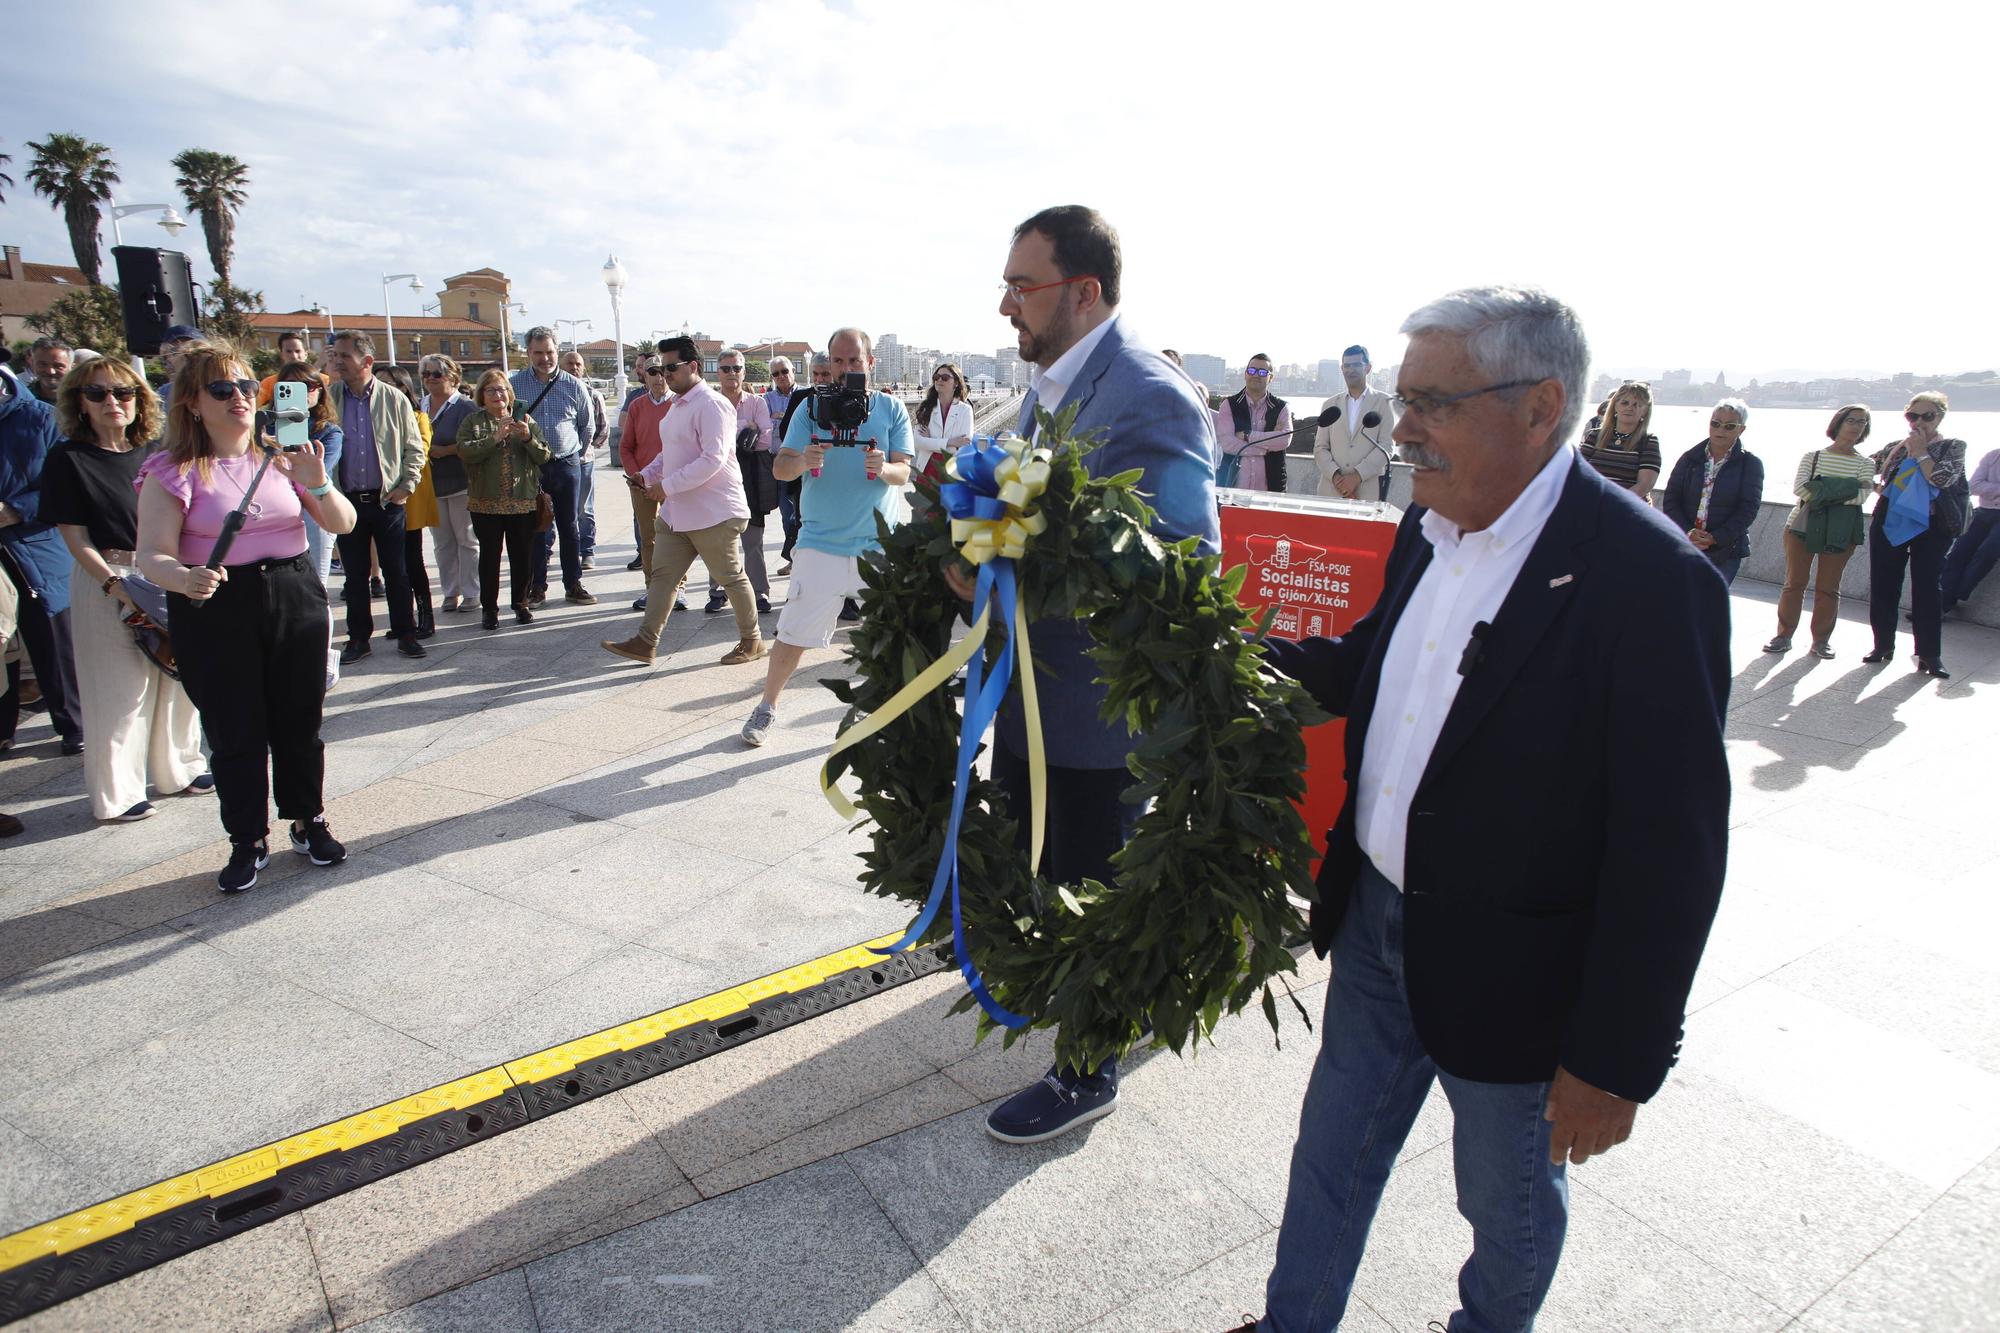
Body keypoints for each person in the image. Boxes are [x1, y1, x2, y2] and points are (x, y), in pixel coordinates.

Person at [1238, 286, 1729, 1333]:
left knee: (1502, 1207)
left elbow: (1670, 849)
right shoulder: (1429, 525)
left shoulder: (1647, 584)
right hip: (1374, 927)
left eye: (1432, 402)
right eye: (1401, 399)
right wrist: (1219, 650)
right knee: (1327, 1158)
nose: (1400, 426)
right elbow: (1366, 667)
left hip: (1518, 977)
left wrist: (1614, 1057)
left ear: (1541, 404)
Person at [966, 205, 1219, 1144]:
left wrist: (1025, 566)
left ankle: (1087, 1072)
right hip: (1037, 698)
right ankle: (1104, 1005)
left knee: (1091, 888)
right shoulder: (1050, 391)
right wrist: (974, 558)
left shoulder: (1146, 394)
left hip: (1100, 715)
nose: (1005, 306)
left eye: (1020, 286)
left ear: (1084, 290)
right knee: (1050, 877)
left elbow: (1179, 560)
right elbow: (1031, 522)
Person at [135, 341, 358, 893]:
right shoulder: (172, 470)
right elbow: (151, 556)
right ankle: (246, 838)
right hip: (217, 606)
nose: (238, 397)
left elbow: (344, 523)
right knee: (235, 730)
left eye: (244, 386)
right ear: (191, 402)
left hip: (293, 592)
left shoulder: (281, 456)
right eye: (221, 388)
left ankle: (309, 820)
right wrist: (184, 577)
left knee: (299, 722)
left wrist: (317, 479)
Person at [41, 359, 208, 821]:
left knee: (177, 679)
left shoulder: (158, 451)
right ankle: (118, 793)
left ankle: (181, 767)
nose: (113, 402)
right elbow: (75, 536)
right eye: (98, 394)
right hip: (106, 575)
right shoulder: (68, 457)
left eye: (123, 392)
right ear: (80, 403)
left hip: (165, 571)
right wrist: (115, 586)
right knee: (118, 691)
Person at [739, 328, 910, 743]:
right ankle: (766, 707)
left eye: (854, 361)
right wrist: (802, 461)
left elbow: (904, 471)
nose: (845, 368)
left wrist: (882, 468)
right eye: (837, 361)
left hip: (878, 543)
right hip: (821, 541)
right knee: (792, 632)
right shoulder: (811, 408)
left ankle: (898, 714)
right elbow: (780, 468)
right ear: (828, 364)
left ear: (870, 363)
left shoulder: (890, 408)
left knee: (896, 636)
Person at [602, 336, 766, 667]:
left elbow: (713, 459)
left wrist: (667, 487)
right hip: (679, 512)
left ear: (693, 367)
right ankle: (645, 642)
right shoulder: (678, 406)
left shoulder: (712, 404)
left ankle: (753, 641)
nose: (664, 374)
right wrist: (646, 476)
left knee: (731, 577)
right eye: (660, 368)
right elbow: (670, 453)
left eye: (671, 368)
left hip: (714, 512)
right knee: (662, 576)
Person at [325, 330, 428, 661]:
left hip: (387, 501)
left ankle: (406, 633)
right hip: (346, 502)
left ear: (367, 361)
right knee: (355, 576)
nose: (338, 361)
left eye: (345, 356)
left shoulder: (393, 398)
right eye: (335, 355)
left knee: (396, 571)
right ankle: (358, 639)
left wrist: (405, 487)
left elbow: (414, 448)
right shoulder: (330, 396)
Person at [0, 360, 84, 756]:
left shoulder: (41, 419)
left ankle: (73, 724)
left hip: (36, 549)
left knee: (52, 642)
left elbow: (66, 485)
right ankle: (4, 728)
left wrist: (17, 509)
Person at [1863, 391, 1968, 679]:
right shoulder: (1894, 448)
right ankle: (1882, 645)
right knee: (1884, 583)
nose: (1919, 421)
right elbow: (1865, 470)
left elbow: (1942, 479)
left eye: (1927, 416)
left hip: (1933, 525)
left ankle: (1930, 655)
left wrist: (1921, 452)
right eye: (1913, 415)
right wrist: (1878, 488)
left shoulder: (1953, 447)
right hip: (1891, 520)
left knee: (1927, 587)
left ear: (1940, 417)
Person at [1765, 404, 1874, 659]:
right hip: (1801, 527)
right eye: (1852, 420)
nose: (1857, 426)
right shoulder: (1813, 457)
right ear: (1838, 422)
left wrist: (1823, 489)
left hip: (1840, 531)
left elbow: (1861, 497)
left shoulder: (1866, 463)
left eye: (1862, 422)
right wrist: (1848, 486)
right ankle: (1783, 636)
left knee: (1829, 587)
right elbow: (1801, 490)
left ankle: (1821, 640)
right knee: (1794, 583)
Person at [270, 361, 346, 691]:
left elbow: (319, 474)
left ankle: (321, 656)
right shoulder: (265, 427)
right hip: (273, 513)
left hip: (315, 512)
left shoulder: (329, 431)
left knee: (314, 586)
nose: (303, 394)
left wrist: (295, 450)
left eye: (310, 387)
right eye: (291, 387)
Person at [457, 369, 551, 630]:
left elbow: (544, 455)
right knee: (490, 557)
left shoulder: (525, 420)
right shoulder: (473, 422)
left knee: (522, 556)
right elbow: (465, 453)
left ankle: (521, 605)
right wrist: (495, 437)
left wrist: (527, 437)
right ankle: (490, 609)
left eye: (502, 390)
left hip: (522, 502)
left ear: (510, 394)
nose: (498, 395)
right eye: (491, 390)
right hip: (486, 504)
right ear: (481, 395)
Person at [510, 330, 596, 608]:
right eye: (538, 352)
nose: (545, 358)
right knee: (536, 528)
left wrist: (576, 456)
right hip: (531, 468)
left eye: (549, 352)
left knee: (570, 527)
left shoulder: (573, 385)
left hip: (567, 464)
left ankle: (573, 583)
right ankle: (537, 587)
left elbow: (587, 426)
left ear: (557, 351)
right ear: (528, 353)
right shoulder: (516, 385)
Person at [1661, 397, 1765, 585]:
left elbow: (1749, 508)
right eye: (1715, 423)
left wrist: (1716, 538)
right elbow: (1671, 499)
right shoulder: (1689, 458)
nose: (1720, 430)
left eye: (1729, 426)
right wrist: (1689, 531)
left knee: (1711, 606)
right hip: (1685, 543)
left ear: (1741, 430)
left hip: (1726, 550)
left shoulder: (1751, 464)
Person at [706, 348, 777, 616]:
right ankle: (717, 591)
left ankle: (759, 592)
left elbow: (766, 439)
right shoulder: (710, 402)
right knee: (718, 540)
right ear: (718, 372)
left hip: (750, 478)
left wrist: (727, 439)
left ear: (743, 371)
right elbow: (704, 441)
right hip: (716, 478)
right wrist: (745, 432)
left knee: (753, 541)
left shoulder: (756, 403)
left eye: (736, 368)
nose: (732, 373)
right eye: (726, 368)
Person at [375, 366, 440, 640]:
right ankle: (402, 619)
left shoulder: (418, 416)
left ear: (403, 388)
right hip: (379, 499)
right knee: (392, 564)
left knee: (412, 560)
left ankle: (426, 616)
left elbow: (421, 449)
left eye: (388, 384)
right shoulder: (369, 418)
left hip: (407, 496)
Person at [419, 355, 480, 615]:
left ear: (453, 377)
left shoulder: (465, 407)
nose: (430, 379)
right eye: (426, 374)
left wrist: (447, 450)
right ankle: (450, 592)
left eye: (436, 374)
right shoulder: (421, 405)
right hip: (431, 485)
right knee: (442, 542)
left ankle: (471, 592)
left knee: (466, 539)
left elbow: (479, 441)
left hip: (461, 482)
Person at [619, 346, 674, 614]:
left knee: (675, 536)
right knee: (648, 538)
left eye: (664, 371)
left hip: (674, 482)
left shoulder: (679, 404)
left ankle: (679, 588)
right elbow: (626, 446)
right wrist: (636, 475)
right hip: (642, 483)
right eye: (653, 371)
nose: (659, 377)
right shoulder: (637, 406)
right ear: (645, 375)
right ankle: (652, 587)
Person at [1314, 344, 1399, 500]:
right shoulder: (1330, 405)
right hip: (1330, 492)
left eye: (1356, 365)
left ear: (1368, 368)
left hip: (1366, 493)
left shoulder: (1385, 403)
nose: (1350, 370)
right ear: (1342, 368)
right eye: (1347, 365)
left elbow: (1387, 445)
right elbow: (1320, 447)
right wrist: (1337, 479)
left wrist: (1356, 477)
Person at [560, 349, 607, 571]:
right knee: (552, 510)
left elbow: (602, 428)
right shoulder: (555, 392)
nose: (574, 367)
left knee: (583, 509)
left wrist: (585, 448)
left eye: (578, 364)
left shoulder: (593, 395)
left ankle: (587, 551)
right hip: (556, 462)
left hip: (584, 461)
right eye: (569, 363)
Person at [1940, 443, 2000, 618]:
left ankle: (1957, 594)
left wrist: (1990, 489)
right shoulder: (1993, 456)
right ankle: (1940, 604)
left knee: (1987, 553)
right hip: (1983, 512)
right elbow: (1974, 486)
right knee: (1957, 553)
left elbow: (1982, 486)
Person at [1215, 353, 1291, 491]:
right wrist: (1265, 447)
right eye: (1252, 370)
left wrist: (1247, 436)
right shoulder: (1229, 405)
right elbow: (1227, 444)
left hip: (1272, 491)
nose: (1256, 375)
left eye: (1262, 372)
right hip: (1232, 490)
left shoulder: (1281, 407)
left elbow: (1284, 440)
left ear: (1271, 377)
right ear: (1245, 374)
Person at [1578, 379, 1661, 500]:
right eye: (1625, 403)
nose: (1630, 408)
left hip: (1627, 512)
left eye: (1637, 405)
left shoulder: (1649, 442)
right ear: (1615, 406)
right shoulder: (1594, 436)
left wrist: (1614, 504)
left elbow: (1645, 485)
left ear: (1645, 411)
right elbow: (1577, 473)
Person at [910, 363, 973, 520]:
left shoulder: (965, 410)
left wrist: (931, 440)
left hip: (951, 472)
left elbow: (964, 444)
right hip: (926, 471)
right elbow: (917, 442)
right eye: (936, 377)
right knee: (922, 519)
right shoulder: (926, 408)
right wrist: (950, 441)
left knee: (946, 520)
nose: (939, 380)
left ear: (956, 383)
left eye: (945, 377)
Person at [766, 357, 804, 564]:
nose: (781, 376)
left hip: (803, 462)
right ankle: (793, 559)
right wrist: (779, 418)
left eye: (784, 371)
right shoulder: (768, 398)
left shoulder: (804, 394)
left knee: (803, 513)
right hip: (779, 463)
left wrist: (781, 416)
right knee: (786, 512)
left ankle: (801, 559)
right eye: (775, 374)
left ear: (792, 371)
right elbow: (766, 426)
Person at [256, 331, 318, 405]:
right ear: (281, 354)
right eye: (289, 351)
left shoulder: (322, 380)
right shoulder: (268, 383)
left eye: (298, 351)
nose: (294, 356)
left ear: (306, 354)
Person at [21, 337, 73, 406]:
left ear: (72, 367)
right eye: (43, 364)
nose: (50, 371)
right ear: (33, 364)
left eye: (58, 366)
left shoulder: (84, 400)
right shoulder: (22, 400)